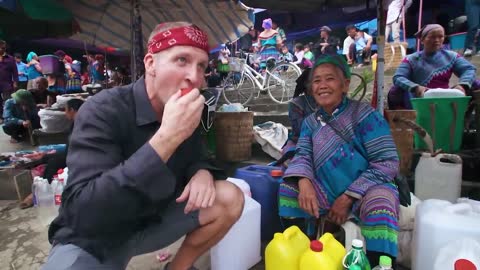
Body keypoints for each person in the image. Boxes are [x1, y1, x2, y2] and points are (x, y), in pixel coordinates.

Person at [41, 21, 244, 270]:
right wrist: (167, 137)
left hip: (152, 220)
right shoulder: (103, 110)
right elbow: (84, 214)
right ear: (151, 64)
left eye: (201, 66)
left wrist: (201, 171)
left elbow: (197, 156)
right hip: (96, 236)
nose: (195, 77)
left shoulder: (185, 108)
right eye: (182, 60)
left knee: (229, 196)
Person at [278, 54, 400, 265]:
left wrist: (348, 197)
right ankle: (303, 254)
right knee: (288, 190)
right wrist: (304, 181)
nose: (322, 85)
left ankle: (379, 264)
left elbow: (387, 162)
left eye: (330, 79)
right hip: (326, 186)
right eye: (317, 80)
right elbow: (303, 154)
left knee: (381, 203)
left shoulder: (365, 116)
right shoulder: (310, 122)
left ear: (345, 84)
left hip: (365, 188)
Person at [388, 24, 477, 109]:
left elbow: (469, 69)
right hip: (419, 97)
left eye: (440, 37)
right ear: (422, 40)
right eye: (432, 37)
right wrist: (415, 87)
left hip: (445, 96)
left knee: (475, 83)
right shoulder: (411, 59)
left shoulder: (451, 56)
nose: (437, 40)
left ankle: (467, 118)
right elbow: (398, 77)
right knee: (395, 90)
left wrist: (462, 85)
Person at [0, 40, 18, 123]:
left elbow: (15, 72)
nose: (1, 49)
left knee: (8, 101)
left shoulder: (10, 59)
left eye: (2, 47)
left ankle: (8, 117)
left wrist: (15, 82)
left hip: (6, 84)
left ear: (5, 48)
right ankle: (1, 117)